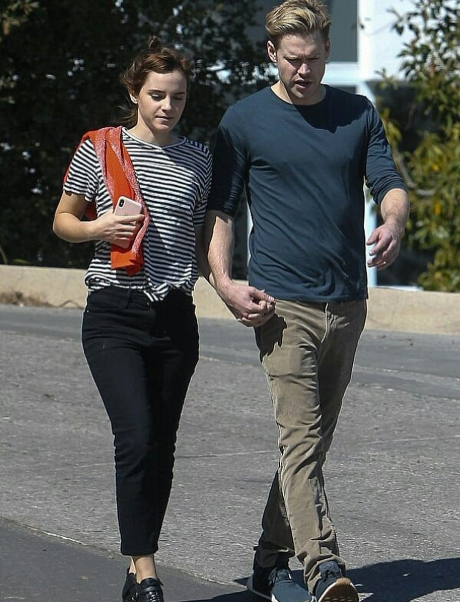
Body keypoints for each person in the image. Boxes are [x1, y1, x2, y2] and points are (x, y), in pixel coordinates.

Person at [204, 1, 409, 601]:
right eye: (293, 59)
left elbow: (388, 183)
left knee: (311, 446)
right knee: (300, 438)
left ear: (326, 52)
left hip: (346, 302)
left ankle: (269, 559)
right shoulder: (244, 120)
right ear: (272, 53)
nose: (304, 70)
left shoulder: (357, 113)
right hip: (280, 304)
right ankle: (322, 566)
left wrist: (394, 222)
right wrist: (224, 281)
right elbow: (221, 209)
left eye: (314, 59)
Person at [53, 38, 212, 602]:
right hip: (114, 314)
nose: (168, 106)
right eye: (157, 95)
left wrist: (231, 287)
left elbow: (201, 241)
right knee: (137, 437)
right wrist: (98, 229)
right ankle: (145, 571)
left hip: (174, 317)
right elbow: (63, 220)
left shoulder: (199, 159)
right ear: (134, 93)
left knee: (161, 446)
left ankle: (137, 566)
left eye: (178, 97)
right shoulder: (100, 148)